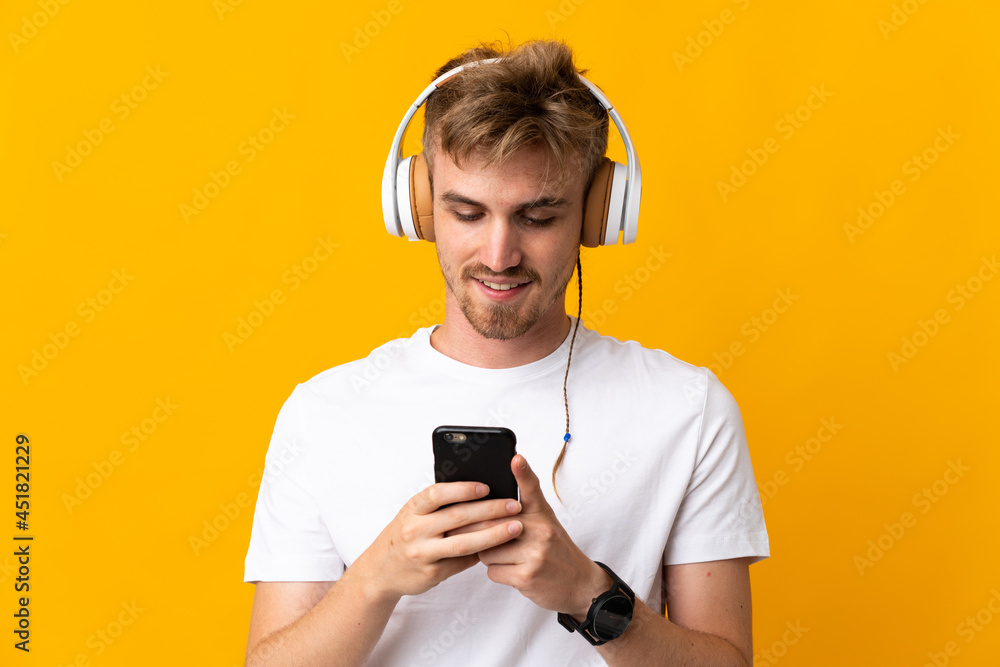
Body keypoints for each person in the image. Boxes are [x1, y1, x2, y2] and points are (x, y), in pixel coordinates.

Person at [243, 38, 769, 667]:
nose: (499, 254)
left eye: (539, 218)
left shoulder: (689, 408)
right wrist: (374, 579)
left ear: (597, 216)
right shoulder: (322, 413)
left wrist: (586, 592)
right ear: (417, 207)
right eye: (466, 212)